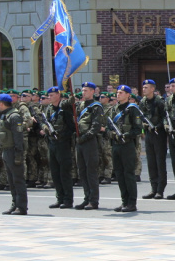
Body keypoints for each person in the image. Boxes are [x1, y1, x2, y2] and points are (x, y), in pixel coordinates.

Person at [108, 86, 143, 212]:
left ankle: (132, 203)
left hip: (127, 145)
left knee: (128, 174)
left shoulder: (132, 109)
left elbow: (138, 129)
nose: (118, 95)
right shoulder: (114, 109)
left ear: (128, 95)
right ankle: (124, 201)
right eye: (117, 93)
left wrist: (126, 135)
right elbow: (108, 127)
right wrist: (113, 134)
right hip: (116, 145)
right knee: (119, 174)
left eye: (121, 93)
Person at [0, 93, 27, 215]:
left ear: (1, 103)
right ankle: (15, 204)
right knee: (11, 180)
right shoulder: (4, 115)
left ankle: (21, 207)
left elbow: (18, 137)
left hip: (13, 151)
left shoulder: (14, 116)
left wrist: (19, 154)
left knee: (18, 180)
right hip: (6, 150)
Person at [44, 87, 75, 208]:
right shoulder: (49, 109)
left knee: (64, 173)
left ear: (58, 95)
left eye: (51, 95)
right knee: (55, 173)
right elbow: (44, 122)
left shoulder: (65, 109)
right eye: (49, 96)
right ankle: (59, 198)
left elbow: (72, 127)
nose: (49, 98)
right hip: (52, 144)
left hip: (63, 144)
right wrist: (46, 129)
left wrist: (62, 135)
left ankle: (68, 200)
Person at [75, 82, 104, 210]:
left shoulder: (97, 106)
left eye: (86, 90)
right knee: (82, 171)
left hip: (89, 141)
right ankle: (86, 198)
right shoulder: (80, 105)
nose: (83, 92)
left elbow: (96, 126)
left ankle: (93, 200)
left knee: (91, 172)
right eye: (82, 90)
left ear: (93, 92)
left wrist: (85, 137)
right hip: (79, 141)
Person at [140, 79, 167, 200]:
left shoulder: (159, 101)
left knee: (159, 162)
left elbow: (165, 118)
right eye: (143, 87)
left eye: (146, 87)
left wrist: (158, 126)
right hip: (149, 134)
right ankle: (153, 188)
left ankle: (160, 190)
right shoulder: (143, 102)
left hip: (159, 134)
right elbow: (141, 117)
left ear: (152, 89)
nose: (144, 89)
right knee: (151, 162)